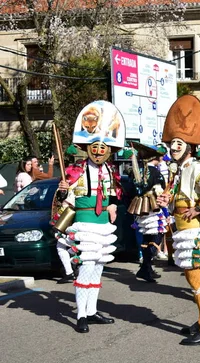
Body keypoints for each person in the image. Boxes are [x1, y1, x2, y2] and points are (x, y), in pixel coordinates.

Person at [156, 95, 200, 346]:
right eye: (172, 143)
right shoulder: (178, 170)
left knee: (196, 280)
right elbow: (180, 198)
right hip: (183, 231)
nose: (173, 147)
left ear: (189, 146)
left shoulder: (195, 167)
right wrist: (168, 202)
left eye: (178, 143)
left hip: (194, 233)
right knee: (198, 279)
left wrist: (199, 210)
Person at [55, 100, 124, 334]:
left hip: (103, 227)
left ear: (109, 150)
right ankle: (81, 314)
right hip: (84, 226)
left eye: (103, 147)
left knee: (98, 269)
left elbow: (114, 194)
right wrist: (64, 190)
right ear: (87, 148)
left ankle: (92, 310)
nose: (99, 150)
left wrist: (113, 205)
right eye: (95, 146)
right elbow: (63, 197)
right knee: (85, 269)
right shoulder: (75, 171)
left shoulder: (109, 171)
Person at [127, 142, 168, 282]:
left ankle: (146, 267)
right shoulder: (156, 173)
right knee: (156, 236)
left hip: (140, 208)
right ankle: (146, 266)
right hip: (153, 208)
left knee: (146, 237)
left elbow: (131, 190)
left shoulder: (136, 171)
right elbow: (160, 191)